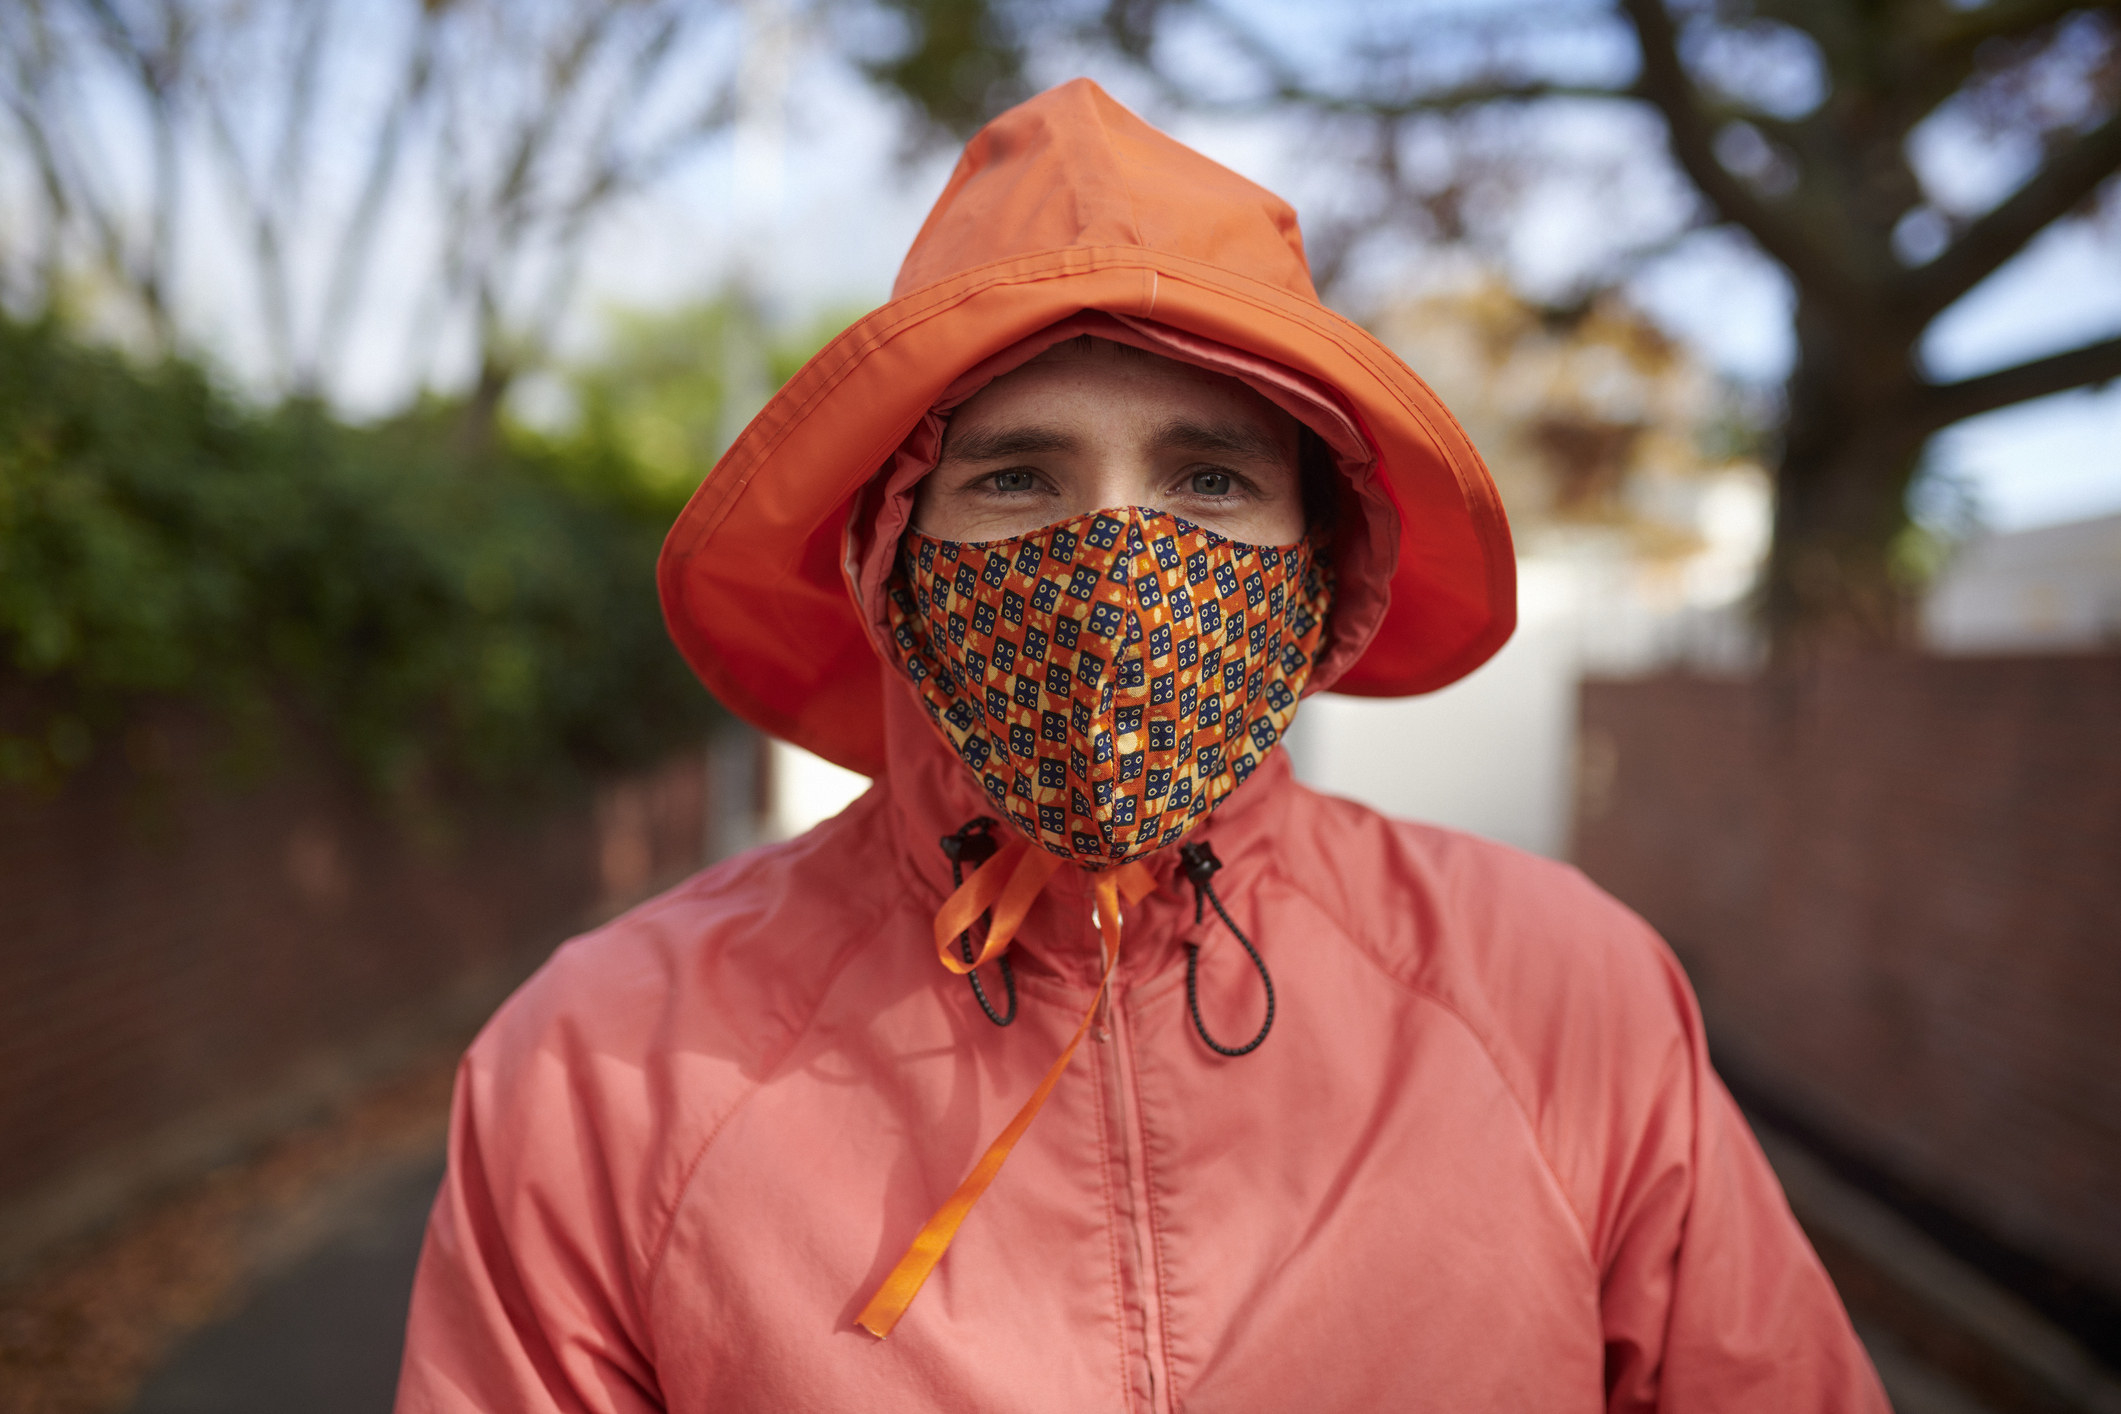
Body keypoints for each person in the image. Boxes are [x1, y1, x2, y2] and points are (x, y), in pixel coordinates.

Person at [395, 79, 1887, 1412]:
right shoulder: (602, 1066)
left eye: (1211, 479)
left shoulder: (1567, 999)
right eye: (1019, 476)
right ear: (891, 555)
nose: (1117, 564)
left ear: (1320, 555)